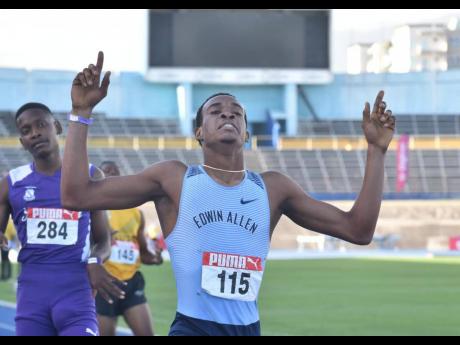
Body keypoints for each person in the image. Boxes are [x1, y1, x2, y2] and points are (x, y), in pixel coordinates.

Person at [61, 52, 396, 336]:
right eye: (216, 110)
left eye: (237, 112)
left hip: (248, 328)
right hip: (193, 327)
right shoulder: (175, 179)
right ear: (199, 132)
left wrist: (376, 151)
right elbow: (76, 195)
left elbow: (358, 229)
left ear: (247, 132)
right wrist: (81, 113)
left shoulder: (273, 188)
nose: (227, 114)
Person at [0, 102, 126, 336]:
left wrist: (95, 262)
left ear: (56, 126)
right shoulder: (12, 183)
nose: (35, 133)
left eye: (41, 125)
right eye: (26, 131)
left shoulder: (89, 175)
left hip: (76, 294)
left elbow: (103, 240)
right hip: (32, 297)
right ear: (22, 142)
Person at [96, 160, 163, 336]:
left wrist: (154, 257)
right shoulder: (93, 208)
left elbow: (143, 252)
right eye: (105, 172)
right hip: (104, 283)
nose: (110, 174)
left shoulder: (136, 212)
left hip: (131, 283)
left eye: (114, 172)